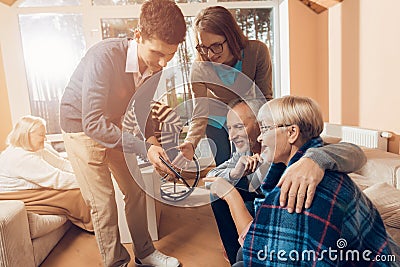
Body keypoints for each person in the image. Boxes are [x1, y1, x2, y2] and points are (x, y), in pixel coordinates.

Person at [59, 0, 186, 266]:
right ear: (138, 35)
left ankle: (145, 253)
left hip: (111, 125)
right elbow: (93, 123)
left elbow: (143, 111)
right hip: (81, 127)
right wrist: (143, 148)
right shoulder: (104, 56)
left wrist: (152, 144)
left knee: (136, 190)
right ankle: (115, 262)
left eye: (170, 55)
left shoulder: (155, 67)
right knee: (103, 202)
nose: (163, 63)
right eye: (157, 53)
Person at [209, 96, 399, 266]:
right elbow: (214, 178)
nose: (231, 135)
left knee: (243, 255)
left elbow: (355, 152)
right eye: (229, 128)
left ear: (292, 132)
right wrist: (235, 173)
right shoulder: (250, 152)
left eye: (264, 127)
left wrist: (315, 160)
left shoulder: (301, 182)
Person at [179, 5, 273, 166]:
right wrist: (191, 142)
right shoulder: (199, 69)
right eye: (203, 48)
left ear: (231, 37)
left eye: (216, 46)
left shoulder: (257, 52)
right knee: (227, 168)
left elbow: (264, 98)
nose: (210, 55)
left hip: (244, 116)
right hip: (216, 120)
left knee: (250, 166)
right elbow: (200, 110)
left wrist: (268, 132)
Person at [0, 115, 93, 232]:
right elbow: (57, 179)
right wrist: (89, 182)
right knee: (77, 193)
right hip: (15, 195)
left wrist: (87, 173)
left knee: (80, 188)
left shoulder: (37, 148)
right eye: (41, 135)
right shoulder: (21, 158)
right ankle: (96, 227)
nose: (45, 138)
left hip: (30, 190)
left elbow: (62, 164)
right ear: (26, 135)